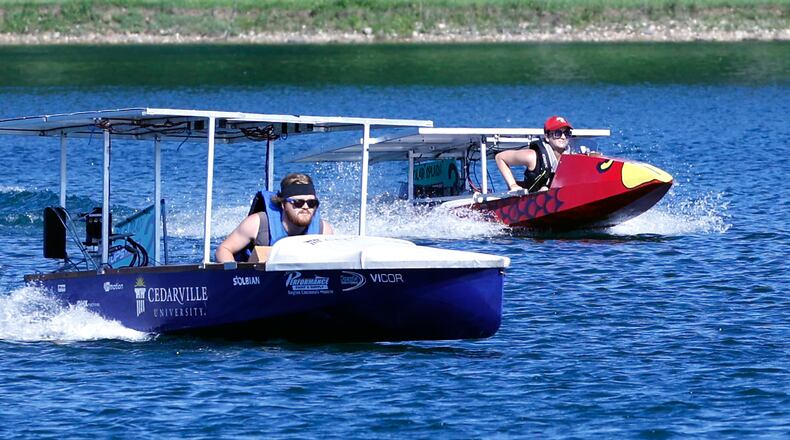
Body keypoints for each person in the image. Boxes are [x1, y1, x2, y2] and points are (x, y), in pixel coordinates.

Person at [215, 173, 334, 263]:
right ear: (283, 204)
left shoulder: (324, 231)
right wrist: (237, 277)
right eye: (298, 202)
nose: (305, 207)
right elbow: (223, 249)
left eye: (311, 203)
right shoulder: (257, 223)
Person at [494, 115, 574, 193]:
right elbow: (499, 158)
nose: (563, 137)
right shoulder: (532, 156)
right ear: (547, 137)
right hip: (531, 198)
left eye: (566, 133)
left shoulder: (573, 157)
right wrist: (513, 185)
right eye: (557, 133)